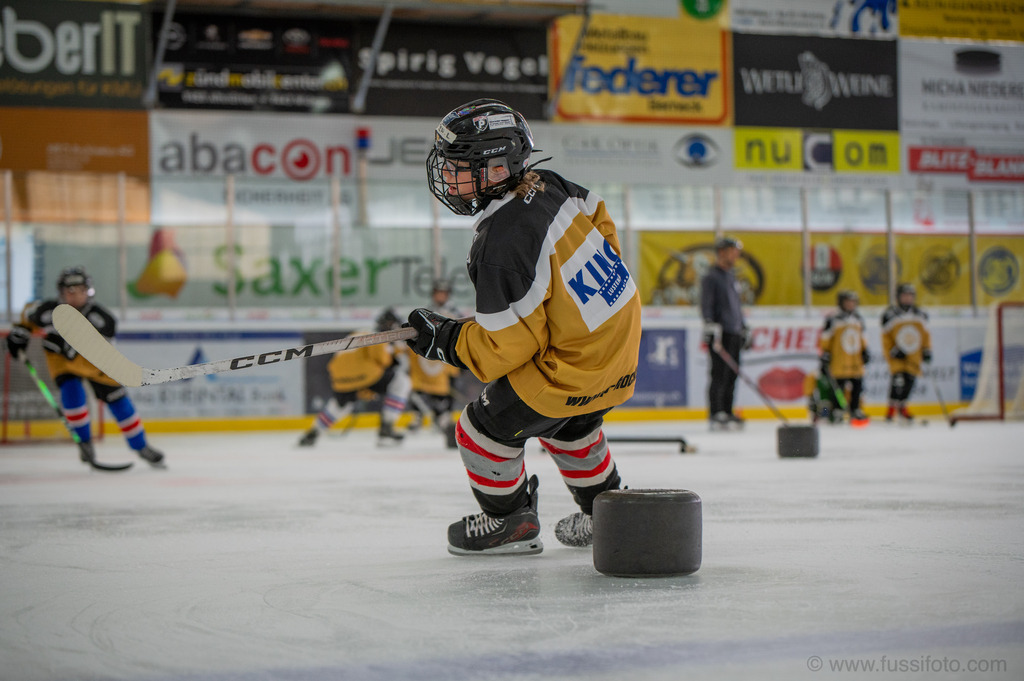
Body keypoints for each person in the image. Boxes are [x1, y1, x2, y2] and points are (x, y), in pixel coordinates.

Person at [404, 98, 642, 556]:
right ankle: (607, 515)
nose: (448, 177)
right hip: (617, 348)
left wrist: (444, 340)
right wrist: (561, 314)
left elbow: (502, 351)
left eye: (458, 167)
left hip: (571, 368)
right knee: (571, 427)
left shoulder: (502, 240)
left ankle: (508, 521)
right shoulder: (550, 185)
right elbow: (601, 220)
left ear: (496, 169)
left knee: (481, 430)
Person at [5, 267, 165, 468]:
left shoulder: (101, 318)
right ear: (61, 293)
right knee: (72, 393)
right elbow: (28, 322)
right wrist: (20, 334)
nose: (76, 296)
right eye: (70, 291)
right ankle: (85, 443)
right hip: (64, 365)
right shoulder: (47, 311)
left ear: (88, 292)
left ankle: (141, 447)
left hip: (96, 365)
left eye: (80, 290)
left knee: (120, 404)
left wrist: (68, 343)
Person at [297, 308, 411, 448]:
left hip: (340, 377)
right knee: (402, 382)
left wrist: (358, 384)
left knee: (340, 406)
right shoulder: (380, 336)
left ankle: (314, 432)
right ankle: (387, 428)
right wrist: (368, 382)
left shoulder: (358, 332)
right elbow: (383, 360)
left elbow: (336, 362)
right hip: (366, 374)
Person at [700, 236, 751, 430]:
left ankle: (728, 411)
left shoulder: (731, 276)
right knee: (719, 373)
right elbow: (707, 305)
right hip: (721, 333)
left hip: (734, 331)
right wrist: (710, 326)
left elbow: (736, 305)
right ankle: (717, 412)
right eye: (732, 250)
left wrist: (743, 326)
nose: (736, 254)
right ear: (722, 252)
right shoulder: (711, 277)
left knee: (732, 373)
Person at [881, 283, 932, 423]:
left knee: (910, 381)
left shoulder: (920, 314)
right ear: (898, 297)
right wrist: (892, 350)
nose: (907, 298)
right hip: (897, 354)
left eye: (910, 296)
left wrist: (927, 349)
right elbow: (885, 337)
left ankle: (902, 407)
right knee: (897, 380)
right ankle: (891, 409)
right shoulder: (890, 314)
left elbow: (926, 335)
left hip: (914, 355)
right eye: (904, 295)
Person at [819, 290, 871, 423]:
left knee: (858, 385)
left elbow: (863, 338)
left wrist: (865, 351)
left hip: (855, 359)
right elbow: (826, 338)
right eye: (847, 302)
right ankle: (836, 410)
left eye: (852, 302)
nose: (850, 305)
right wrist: (825, 353)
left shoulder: (858, 319)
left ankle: (855, 409)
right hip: (839, 359)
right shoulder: (833, 319)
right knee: (838, 387)